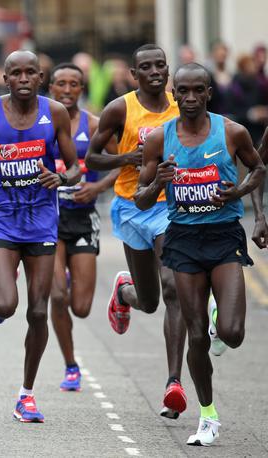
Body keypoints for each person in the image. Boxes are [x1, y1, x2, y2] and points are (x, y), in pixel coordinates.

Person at [135, 63, 265, 446]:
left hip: (224, 238)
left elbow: (258, 169)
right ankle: (207, 415)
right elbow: (141, 200)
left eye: (198, 91)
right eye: (184, 91)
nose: (190, 98)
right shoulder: (160, 139)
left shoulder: (232, 131)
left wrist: (237, 194)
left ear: (209, 92)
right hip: (184, 241)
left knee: (233, 333)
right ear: (174, 94)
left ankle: (217, 318)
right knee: (196, 337)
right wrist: (157, 181)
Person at [0, 50, 81, 423]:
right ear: (5, 79)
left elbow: (73, 167)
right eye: (15, 73)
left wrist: (63, 177)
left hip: (40, 217)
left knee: (38, 310)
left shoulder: (54, 113)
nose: (23, 79)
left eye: (30, 73)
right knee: (8, 306)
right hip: (0, 214)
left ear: (40, 77)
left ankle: (26, 394)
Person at [84, 44, 187, 419]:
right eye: (146, 67)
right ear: (134, 74)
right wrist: (125, 159)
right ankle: (125, 293)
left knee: (173, 287)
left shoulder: (182, 105)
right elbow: (93, 158)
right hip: (131, 207)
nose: (156, 71)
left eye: (161, 64)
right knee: (151, 300)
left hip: (170, 207)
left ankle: (173, 383)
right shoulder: (120, 108)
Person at [47, 63, 119, 391]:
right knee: (58, 296)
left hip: (83, 217)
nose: (67, 89)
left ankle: (119, 291)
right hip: (48, 216)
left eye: (73, 83)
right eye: (60, 83)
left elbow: (125, 163)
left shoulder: (93, 124)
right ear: (50, 87)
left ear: (81, 88)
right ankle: (71, 365)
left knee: (82, 307)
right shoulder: (41, 124)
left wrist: (98, 187)